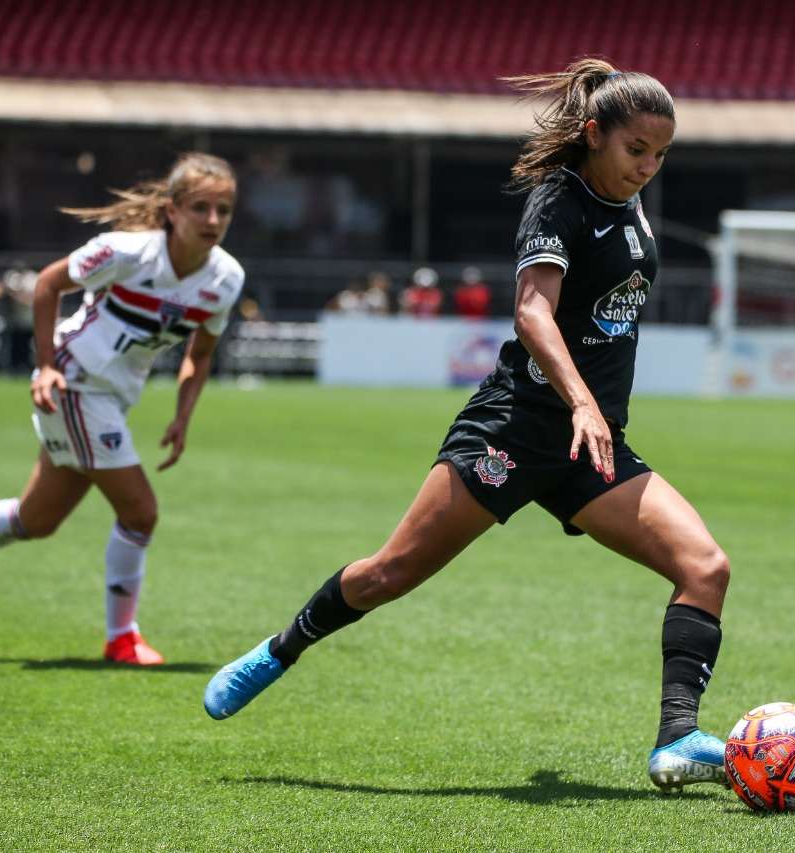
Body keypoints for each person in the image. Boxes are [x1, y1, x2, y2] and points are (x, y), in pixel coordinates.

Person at [203, 59, 731, 794]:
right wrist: (579, 396)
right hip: (512, 429)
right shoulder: (559, 200)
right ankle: (278, 650)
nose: (647, 166)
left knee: (705, 567)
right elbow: (532, 312)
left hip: (588, 446)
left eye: (660, 154)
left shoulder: (635, 211)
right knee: (390, 572)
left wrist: (590, 413)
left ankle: (677, 737)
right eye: (635, 150)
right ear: (593, 135)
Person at [0, 152, 245, 665]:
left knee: (34, 519)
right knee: (140, 511)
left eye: (223, 210)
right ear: (171, 211)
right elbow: (48, 284)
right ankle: (122, 638)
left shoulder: (226, 279)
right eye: (200, 208)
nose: (212, 221)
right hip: (74, 383)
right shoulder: (127, 252)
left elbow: (199, 355)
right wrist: (46, 366)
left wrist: (184, 415)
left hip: (110, 397)